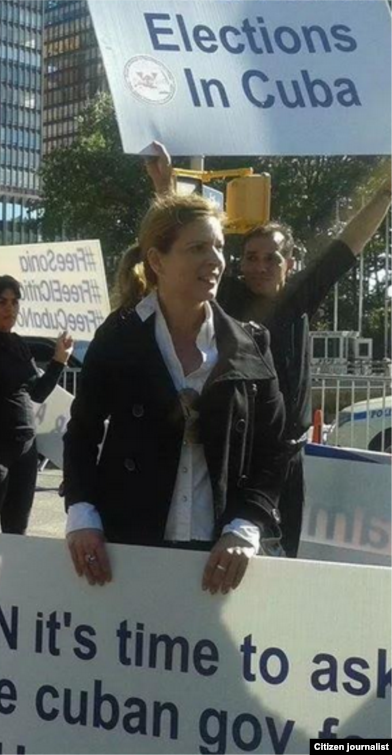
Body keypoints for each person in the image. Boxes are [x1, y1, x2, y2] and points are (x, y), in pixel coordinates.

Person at [147, 144, 392, 555]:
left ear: (290, 264)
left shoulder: (300, 297)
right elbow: (182, 243)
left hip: (283, 462)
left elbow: (349, 242)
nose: (259, 266)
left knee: (283, 561)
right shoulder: (222, 295)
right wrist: (163, 185)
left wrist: (385, 194)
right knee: (220, 558)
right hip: (233, 454)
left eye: (271, 258)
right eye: (251, 257)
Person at [63, 193, 287, 594]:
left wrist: (245, 525)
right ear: (157, 261)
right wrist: (82, 517)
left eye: (219, 246)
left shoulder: (250, 345)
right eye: (198, 247)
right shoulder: (118, 338)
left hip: (220, 554)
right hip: (128, 548)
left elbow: (272, 448)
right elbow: (82, 434)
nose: (216, 260)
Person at [0, 276, 73, 535]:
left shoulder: (19, 343)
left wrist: (59, 360)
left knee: (17, 530)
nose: (10, 308)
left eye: (15, 302)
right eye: (1, 302)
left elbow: (39, 393)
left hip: (25, 450)